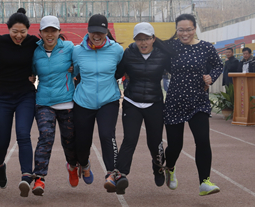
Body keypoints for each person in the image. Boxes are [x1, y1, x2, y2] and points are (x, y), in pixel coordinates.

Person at [163, 14, 223, 196]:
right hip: (175, 101)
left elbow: (218, 65)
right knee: (175, 145)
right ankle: (170, 167)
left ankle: (204, 181)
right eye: (181, 30)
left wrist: (211, 77)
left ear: (195, 28)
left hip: (198, 101)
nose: (185, 33)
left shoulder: (206, 48)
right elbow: (150, 46)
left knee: (203, 140)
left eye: (188, 29)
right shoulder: (171, 47)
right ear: (176, 30)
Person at [115, 22, 174, 193]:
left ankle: (158, 168)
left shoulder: (163, 55)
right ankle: (121, 175)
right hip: (132, 102)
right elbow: (117, 73)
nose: (143, 43)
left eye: (146, 38)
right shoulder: (128, 53)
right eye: (139, 39)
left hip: (154, 103)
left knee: (155, 142)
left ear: (153, 39)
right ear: (135, 40)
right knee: (129, 139)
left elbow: (178, 71)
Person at [71, 14, 124, 190]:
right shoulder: (77, 51)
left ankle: (112, 173)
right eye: (93, 31)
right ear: (88, 31)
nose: (97, 35)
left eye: (101, 32)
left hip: (108, 100)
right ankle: (84, 164)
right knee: (82, 142)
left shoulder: (117, 50)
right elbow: (73, 73)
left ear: (106, 32)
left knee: (107, 135)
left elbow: (122, 70)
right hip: (83, 102)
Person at [0, 8, 39, 196]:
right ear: (8, 29)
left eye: (23, 32)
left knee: (23, 134)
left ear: (28, 30)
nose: (19, 36)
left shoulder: (34, 42)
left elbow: (49, 55)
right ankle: (0, 164)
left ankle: (26, 176)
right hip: (3, 96)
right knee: (2, 140)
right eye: (15, 31)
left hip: (25, 95)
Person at [31, 15, 76, 196]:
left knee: (69, 140)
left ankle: (72, 166)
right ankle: (39, 178)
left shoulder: (70, 48)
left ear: (59, 32)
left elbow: (81, 65)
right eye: (46, 31)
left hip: (67, 102)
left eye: (53, 31)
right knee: (46, 137)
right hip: (44, 103)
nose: (50, 35)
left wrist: (74, 68)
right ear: (40, 33)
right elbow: (31, 72)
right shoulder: (35, 52)